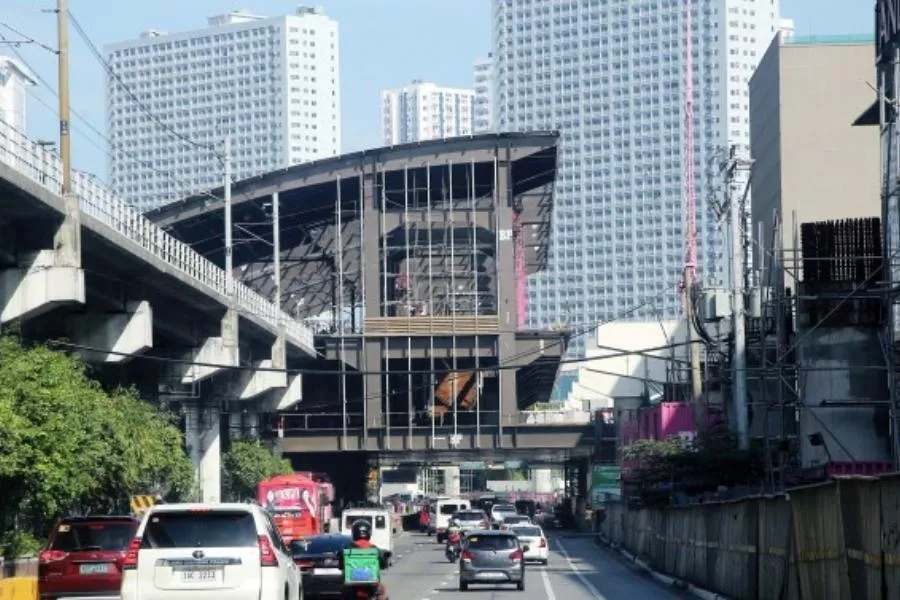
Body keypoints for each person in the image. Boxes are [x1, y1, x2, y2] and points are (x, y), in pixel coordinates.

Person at [339, 520, 388, 600]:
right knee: (382, 591)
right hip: (371, 586)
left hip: (351, 587)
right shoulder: (374, 549)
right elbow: (383, 563)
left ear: (354, 533)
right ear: (369, 533)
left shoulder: (347, 548)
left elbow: (340, 564)